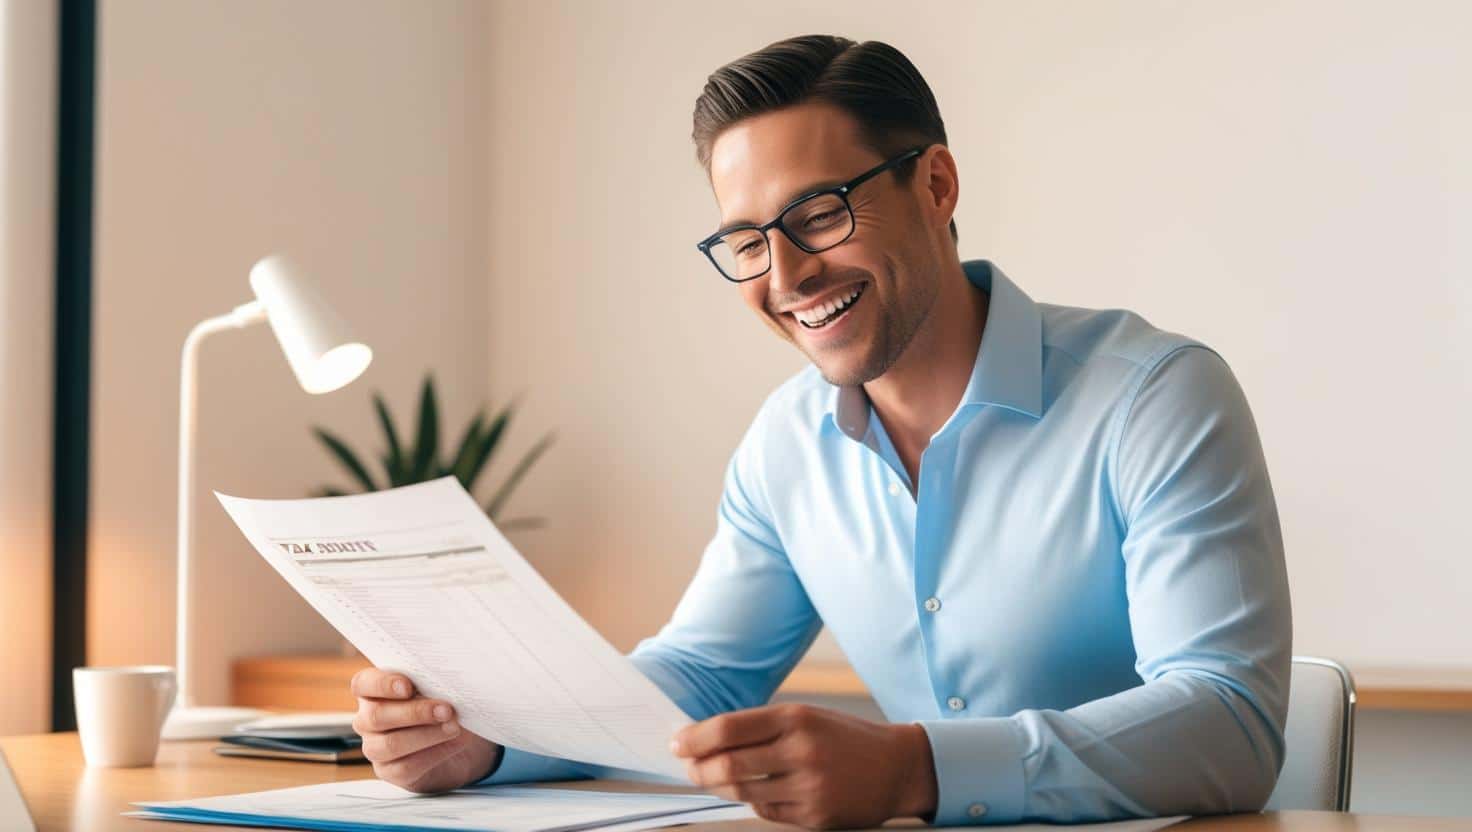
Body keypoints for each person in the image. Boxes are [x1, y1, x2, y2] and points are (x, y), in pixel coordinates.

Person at [349, 34, 1292, 829]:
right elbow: (703, 676)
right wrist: (496, 738)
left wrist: (911, 771)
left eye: (818, 214)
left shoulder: (1155, 397)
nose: (787, 274)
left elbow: (1229, 721)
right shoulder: (786, 443)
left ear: (937, 184)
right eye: (750, 240)